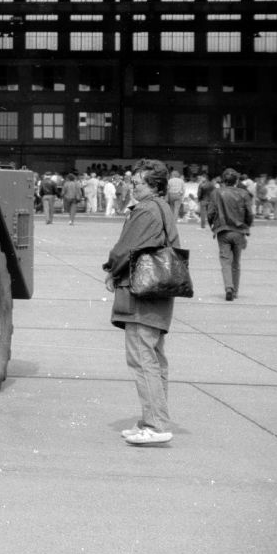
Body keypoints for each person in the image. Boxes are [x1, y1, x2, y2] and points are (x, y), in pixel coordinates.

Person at [101, 160, 181, 446]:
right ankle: (153, 419)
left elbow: (126, 249)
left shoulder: (146, 210)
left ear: (155, 185)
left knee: (141, 358)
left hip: (141, 294)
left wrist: (111, 269)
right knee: (154, 359)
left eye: (139, 183)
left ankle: (155, 424)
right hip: (158, 293)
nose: (134, 186)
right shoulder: (163, 208)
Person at [203, 167, 252, 302]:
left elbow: (210, 212)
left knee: (225, 261)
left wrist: (212, 225)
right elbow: (250, 213)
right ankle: (234, 291)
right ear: (236, 180)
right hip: (238, 231)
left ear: (223, 180)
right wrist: (246, 226)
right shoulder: (244, 193)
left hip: (223, 230)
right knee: (236, 262)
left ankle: (228, 287)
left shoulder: (216, 193)